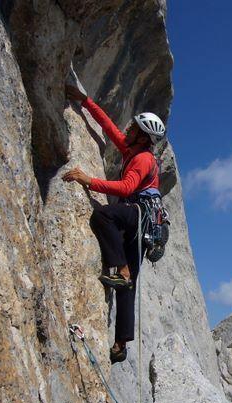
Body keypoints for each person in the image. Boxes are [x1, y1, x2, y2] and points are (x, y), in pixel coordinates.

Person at [62, 84, 166, 363]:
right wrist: (86, 102)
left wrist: (89, 181)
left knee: (104, 216)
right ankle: (121, 345)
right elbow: (109, 128)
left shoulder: (142, 158)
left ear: (143, 138)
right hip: (143, 226)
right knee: (127, 286)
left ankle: (120, 269)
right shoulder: (134, 151)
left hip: (137, 214)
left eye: (134, 129)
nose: (128, 130)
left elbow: (126, 187)